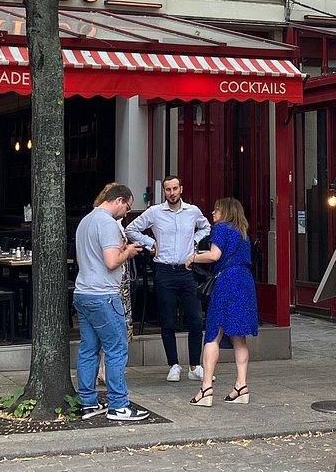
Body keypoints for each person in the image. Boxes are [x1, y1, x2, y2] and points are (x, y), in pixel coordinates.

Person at [71, 183, 149, 423]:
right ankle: (118, 405)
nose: (126, 213)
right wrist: (128, 252)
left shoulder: (85, 221)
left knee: (88, 349)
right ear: (119, 201)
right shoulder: (105, 222)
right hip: (103, 294)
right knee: (117, 348)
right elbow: (111, 262)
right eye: (127, 207)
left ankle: (88, 402)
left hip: (83, 291)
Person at [126, 175, 211, 383]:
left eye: (175, 189)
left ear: (181, 189)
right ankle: (173, 364)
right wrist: (151, 243)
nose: (172, 193)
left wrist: (195, 240)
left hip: (187, 269)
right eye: (168, 190)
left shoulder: (192, 211)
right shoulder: (155, 212)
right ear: (163, 192)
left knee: (194, 318)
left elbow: (206, 227)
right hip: (164, 270)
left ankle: (195, 365)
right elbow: (131, 229)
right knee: (168, 320)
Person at [187, 196, 258, 407]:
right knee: (239, 336)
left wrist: (193, 257)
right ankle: (241, 386)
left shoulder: (222, 228)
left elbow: (214, 255)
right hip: (245, 281)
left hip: (227, 281)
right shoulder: (243, 232)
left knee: (213, 333)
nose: (213, 214)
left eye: (216, 210)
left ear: (225, 211)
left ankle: (206, 388)